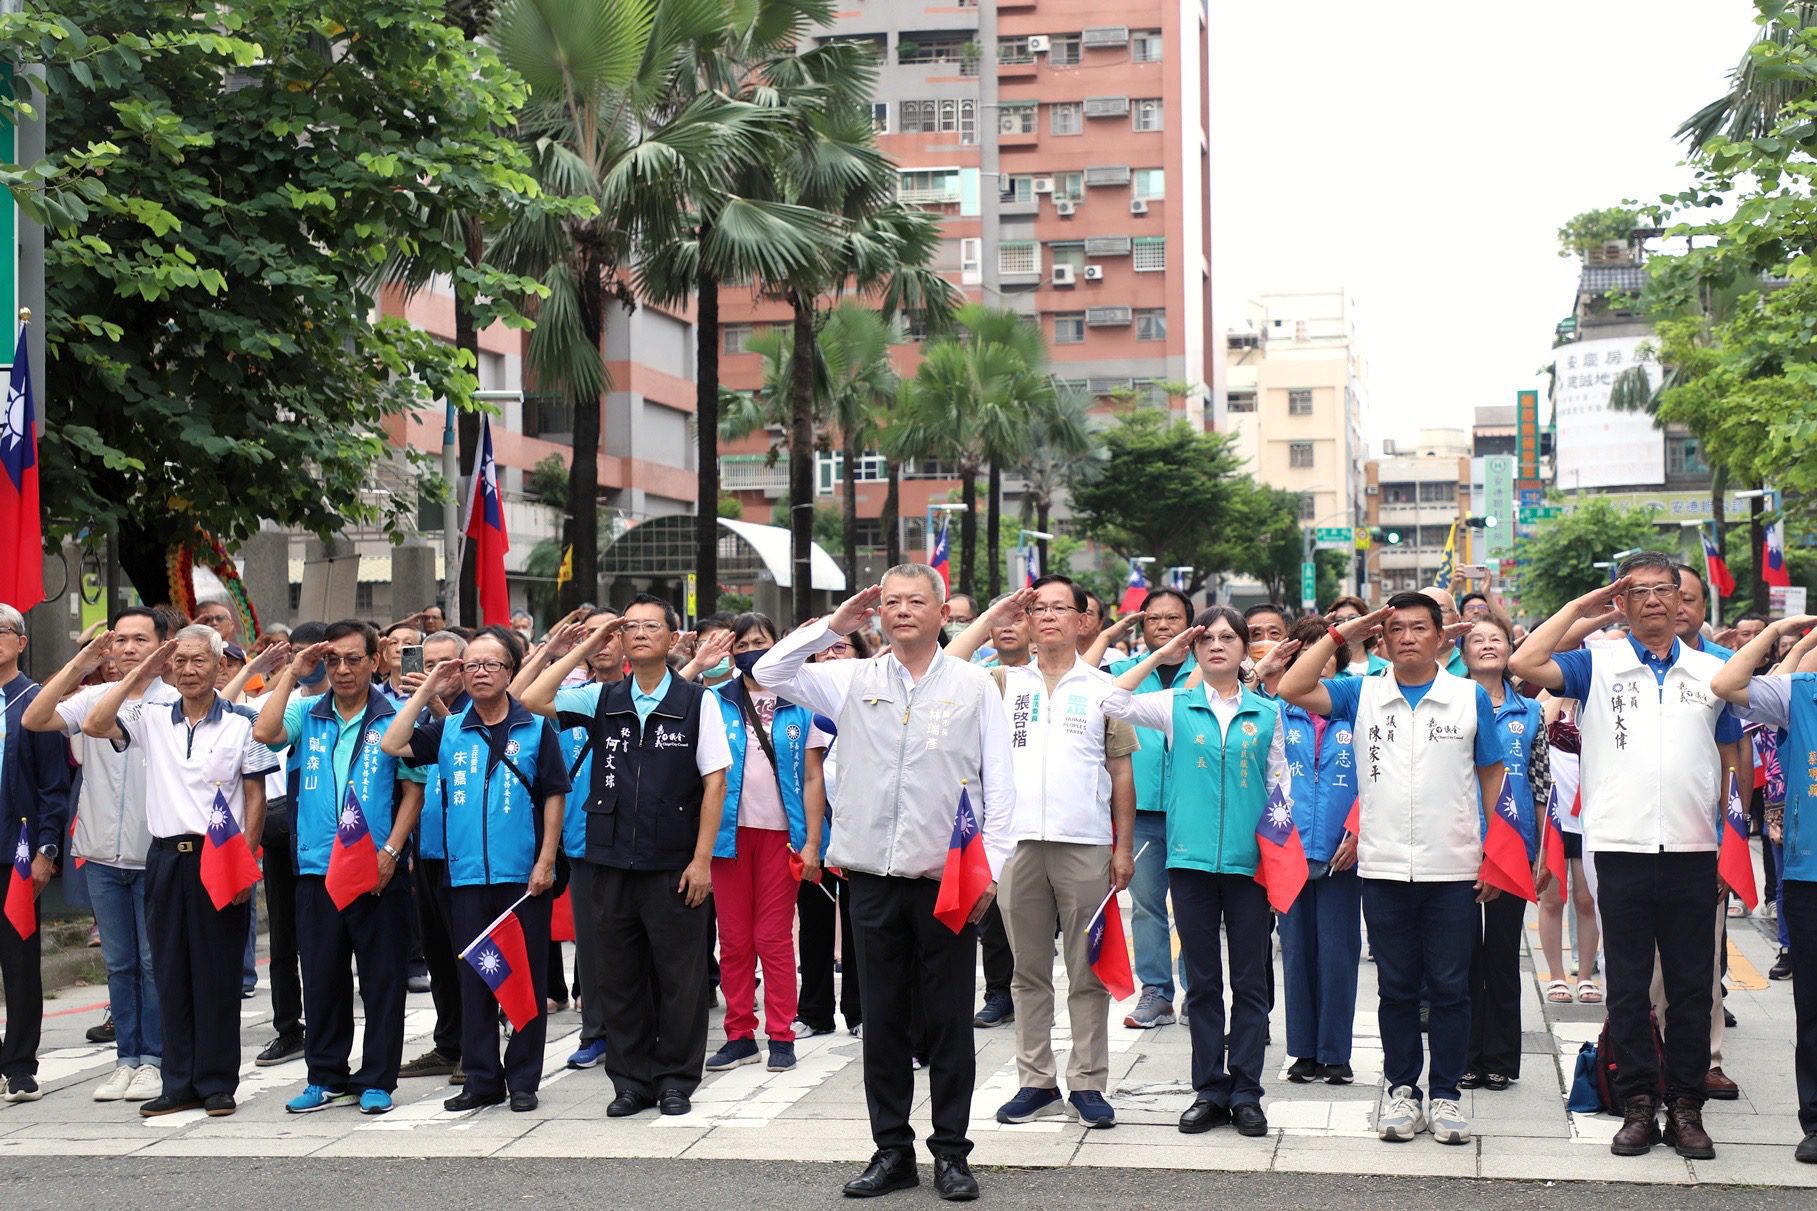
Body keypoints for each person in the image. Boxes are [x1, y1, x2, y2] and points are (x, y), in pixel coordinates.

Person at [754, 568, 1013, 1201]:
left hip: (947, 880)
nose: (901, 612)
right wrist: (836, 625)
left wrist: (993, 874)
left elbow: (1002, 790)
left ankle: (952, 1151)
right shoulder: (851, 680)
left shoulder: (975, 685)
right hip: (869, 877)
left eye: (914, 601)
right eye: (890, 602)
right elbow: (769, 672)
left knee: (950, 1021)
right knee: (884, 1021)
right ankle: (890, 1149)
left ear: (942, 610)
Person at [1509, 554, 1743, 1160]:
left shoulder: (1713, 670)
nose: (1654, 601)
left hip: (1694, 849)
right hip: (1618, 847)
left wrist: (1728, 842)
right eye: (1637, 592)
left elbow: (1729, 762)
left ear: (1683, 599)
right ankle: (1639, 1103)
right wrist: (1582, 611)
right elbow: (1523, 663)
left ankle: (1686, 1106)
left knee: (1693, 986)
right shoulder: (1598, 665)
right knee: (1628, 985)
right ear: (1623, 601)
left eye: (1664, 590)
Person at [1279, 593, 1505, 1147]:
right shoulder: (1363, 692)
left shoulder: (1468, 697)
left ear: (1440, 637)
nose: (1407, 637)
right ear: (1380, 638)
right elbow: (1290, 687)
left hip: (1452, 866)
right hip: (1381, 867)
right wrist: (1343, 633)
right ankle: (1403, 1090)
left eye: (1418, 628)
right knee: (1397, 988)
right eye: (1395, 629)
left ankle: (1447, 1096)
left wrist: (1496, 856)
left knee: (1450, 988)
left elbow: (1493, 777)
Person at [519, 595, 728, 1118]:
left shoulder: (698, 701)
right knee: (618, 974)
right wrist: (587, 642)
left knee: (680, 979)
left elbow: (716, 783)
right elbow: (528, 696)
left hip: (673, 860)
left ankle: (677, 1079)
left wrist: (701, 861)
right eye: (628, 627)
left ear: (673, 638)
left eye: (649, 626)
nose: (637, 634)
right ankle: (631, 1081)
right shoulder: (600, 697)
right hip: (610, 856)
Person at [84, 625, 277, 1118]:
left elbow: (255, 798)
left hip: (220, 857)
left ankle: (216, 1082)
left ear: (218, 666)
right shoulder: (150, 717)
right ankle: (179, 1082)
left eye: (200, 661)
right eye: (180, 661)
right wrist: (139, 674)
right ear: (169, 666)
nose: (189, 670)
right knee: (170, 972)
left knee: (216, 974)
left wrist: (245, 867)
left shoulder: (242, 722)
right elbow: (94, 724)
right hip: (166, 858)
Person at [1107, 606, 1286, 1137]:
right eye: (1206, 638)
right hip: (1188, 861)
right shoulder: (1173, 705)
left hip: (1250, 865)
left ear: (1243, 648)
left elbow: (1282, 789)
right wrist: (1163, 655)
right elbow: (1110, 700)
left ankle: (1247, 1091)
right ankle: (1209, 1090)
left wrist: (1279, 859)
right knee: (1204, 984)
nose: (1216, 646)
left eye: (1228, 637)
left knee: (1251, 983)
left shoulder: (1266, 712)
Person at [381, 626, 570, 1113]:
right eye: (472, 665)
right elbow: (392, 743)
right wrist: (427, 686)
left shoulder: (535, 729)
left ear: (510, 672)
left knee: (522, 981)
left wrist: (546, 860)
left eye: (492, 665)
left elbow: (553, 795)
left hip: (521, 879)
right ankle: (482, 1078)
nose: (481, 672)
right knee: (477, 980)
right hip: (464, 878)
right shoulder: (449, 729)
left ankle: (523, 1079)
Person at [255, 621, 424, 1117]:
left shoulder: (393, 714)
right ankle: (325, 1076)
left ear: (377, 661)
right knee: (323, 977)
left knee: (381, 979)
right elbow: (264, 733)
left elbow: (413, 789)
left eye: (354, 659)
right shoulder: (309, 712)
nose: (343, 670)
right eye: (333, 661)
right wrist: (294, 671)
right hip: (315, 868)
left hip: (376, 870)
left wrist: (392, 852)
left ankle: (377, 1080)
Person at [989, 576, 1136, 1130]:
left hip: (1086, 845)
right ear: (1025, 621)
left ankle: (1088, 1083)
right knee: (1027, 971)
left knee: (1087, 970)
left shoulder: (1104, 688)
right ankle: (1035, 1080)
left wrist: (1121, 849)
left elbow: (1121, 771)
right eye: (1038, 608)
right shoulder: (1001, 685)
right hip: (1017, 845)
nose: (1048, 616)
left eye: (1060, 608)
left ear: (1082, 621)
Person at [24, 609, 171, 1103]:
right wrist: (78, 663)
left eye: (140, 639)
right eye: (121, 640)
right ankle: (126, 1058)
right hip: (102, 855)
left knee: (153, 962)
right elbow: (34, 717)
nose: (129, 648)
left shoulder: (173, 703)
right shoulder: (90, 697)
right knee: (120, 963)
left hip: (155, 853)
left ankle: (154, 1058)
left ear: (162, 646)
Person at [698, 613, 828, 1074]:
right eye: (746, 642)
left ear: (779, 647)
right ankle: (739, 1034)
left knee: (772, 938)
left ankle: (780, 1033)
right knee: (733, 941)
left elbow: (814, 776)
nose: (754, 649)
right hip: (727, 838)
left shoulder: (801, 699)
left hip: (782, 839)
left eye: (764, 641)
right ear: (732, 650)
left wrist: (813, 842)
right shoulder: (713, 702)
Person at [1710, 613, 1817, 1163]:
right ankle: (1815, 1121)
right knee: (1813, 1009)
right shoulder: (1803, 692)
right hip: (1808, 872)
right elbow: (1727, 685)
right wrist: (1780, 633)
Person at [512, 609, 624, 1070]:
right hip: (583, 838)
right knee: (593, 947)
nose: (602, 641)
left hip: (641, 839)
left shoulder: (649, 693)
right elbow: (519, 697)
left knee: (640, 942)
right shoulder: (575, 699)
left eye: (612, 632)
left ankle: (642, 1029)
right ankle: (596, 1032)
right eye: (593, 633)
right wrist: (559, 650)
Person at [1461, 616, 1548, 1092]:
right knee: (1462, 958)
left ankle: (1499, 1060)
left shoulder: (1529, 712)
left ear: (1511, 650)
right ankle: (1466, 1057)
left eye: (1497, 639)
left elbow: (1540, 785)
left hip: (1513, 847)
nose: (1488, 645)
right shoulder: (1450, 704)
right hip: (1458, 843)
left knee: (1501, 957)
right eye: (1477, 639)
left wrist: (1542, 851)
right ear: (1463, 651)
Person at [1275, 617, 1362, 1087]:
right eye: (1306, 649)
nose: (1317, 657)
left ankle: (1336, 1052)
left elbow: (1380, 771)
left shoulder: (1359, 704)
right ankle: (1303, 1051)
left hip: (1342, 851)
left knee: (1339, 953)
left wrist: (1358, 830)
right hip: (1288, 850)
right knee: (1296, 953)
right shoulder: (1277, 712)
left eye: (1325, 649)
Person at [943, 591, 1035, 1028]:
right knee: (993, 911)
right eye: (1002, 621)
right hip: (991, 813)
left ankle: (1040, 995)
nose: (1011, 627)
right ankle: (1000, 992)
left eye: (1021, 619)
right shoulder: (982, 679)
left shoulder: (1053, 677)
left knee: (1038, 918)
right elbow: (949, 661)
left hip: (1045, 815)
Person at [1108, 587, 1196, 1029]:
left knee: (1193, 908)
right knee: (1145, 905)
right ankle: (1156, 993)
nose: (1163, 627)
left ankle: (1195, 992)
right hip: (1139, 813)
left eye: (1172, 618)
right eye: (1153, 620)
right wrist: (1108, 633)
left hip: (1194, 811)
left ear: (1190, 624)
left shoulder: (1211, 670)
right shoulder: (1123, 672)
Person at [0, 607, 72, 1102]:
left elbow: (53, 787)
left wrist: (47, 849)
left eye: (1, 632)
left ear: (22, 642)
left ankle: (20, 1064)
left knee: (20, 963)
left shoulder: (32, 702)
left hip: (17, 853)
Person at [397, 629, 472, 1084]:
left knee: (468, 954)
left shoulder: (477, 708)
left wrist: (437, 708)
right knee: (437, 954)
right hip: (425, 850)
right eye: (428, 664)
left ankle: (477, 1046)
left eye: (447, 663)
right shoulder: (412, 711)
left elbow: (464, 746)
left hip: (466, 853)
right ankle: (448, 1043)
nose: (436, 672)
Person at [795, 629, 868, 1039]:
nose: (830, 656)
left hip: (859, 833)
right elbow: (805, 776)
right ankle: (814, 1011)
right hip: (814, 832)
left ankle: (858, 1011)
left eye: (840, 647)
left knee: (860, 923)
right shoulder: (801, 706)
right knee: (815, 923)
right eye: (821, 651)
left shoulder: (873, 700)